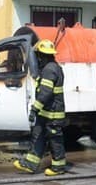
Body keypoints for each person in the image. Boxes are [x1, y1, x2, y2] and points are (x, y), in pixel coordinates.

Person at [14, 39, 68, 176]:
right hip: (46, 113)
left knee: (55, 141)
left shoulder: (50, 70)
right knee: (38, 136)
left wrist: (34, 109)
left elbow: (45, 92)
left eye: (38, 56)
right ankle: (30, 164)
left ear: (41, 56)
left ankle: (58, 167)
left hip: (52, 114)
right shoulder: (50, 68)